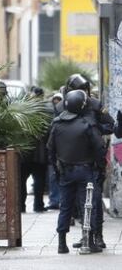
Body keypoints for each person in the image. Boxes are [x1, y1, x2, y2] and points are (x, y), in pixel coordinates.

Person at [47, 90, 106, 254]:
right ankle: (89, 241)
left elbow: (50, 150)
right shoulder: (87, 124)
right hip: (86, 171)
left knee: (65, 206)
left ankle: (61, 243)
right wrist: (100, 168)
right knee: (88, 205)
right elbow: (100, 148)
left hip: (65, 171)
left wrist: (57, 170)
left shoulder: (57, 124)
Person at [20, 87, 49, 213]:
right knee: (39, 180)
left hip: (25, 151)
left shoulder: (23, 110)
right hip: (39, 152)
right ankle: (38, 205)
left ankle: (21, 205)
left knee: (21, 180)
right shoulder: (45, 111)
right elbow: (48, 131)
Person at [46, 93, 63, 210]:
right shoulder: (52, 119)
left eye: (59, 101)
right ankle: (54, 200)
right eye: (54, 101)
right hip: (56, 154)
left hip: (64, 155)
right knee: (53, 178)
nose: (56, 103)